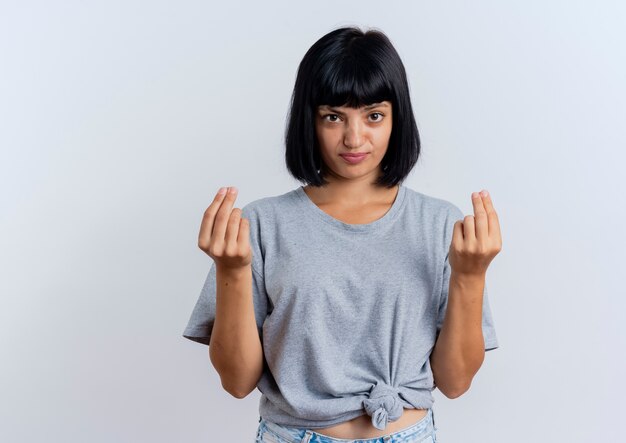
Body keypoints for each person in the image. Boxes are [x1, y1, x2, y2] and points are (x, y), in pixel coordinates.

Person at [183, 26, 502, 443]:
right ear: (310, 120)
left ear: (396, 117)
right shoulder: (261, 225)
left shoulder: (440, 223)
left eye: (374, 115)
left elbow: (455, 382)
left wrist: (470, 275)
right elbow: (238, 381)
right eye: (333, 117)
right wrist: (230, 268)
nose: (354, 138)